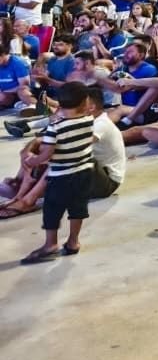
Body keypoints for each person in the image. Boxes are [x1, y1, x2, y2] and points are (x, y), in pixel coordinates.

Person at [19, 81, 95, 264]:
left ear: (60, 104)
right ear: (85, 103)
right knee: (78, 207)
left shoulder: (55, 128)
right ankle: (73, 242)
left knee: (52, 210)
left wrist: (32, 159)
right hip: (84, 172)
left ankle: (50, 244)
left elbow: (47, 153)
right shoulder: (88, 120)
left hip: (61, 176)